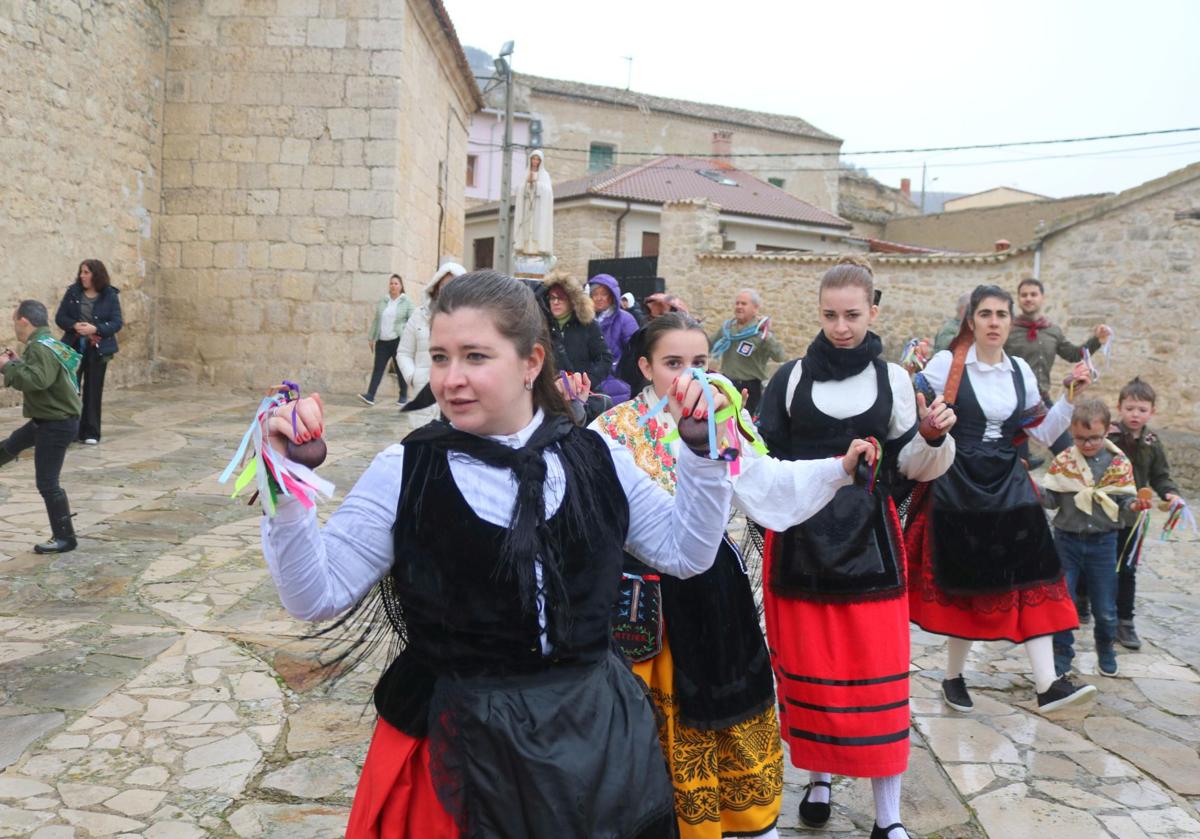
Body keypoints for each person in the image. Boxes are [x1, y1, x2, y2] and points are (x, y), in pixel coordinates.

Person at [260, 271, 750, 838]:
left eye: (475, 356)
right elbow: (314, 596)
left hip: (593, 740)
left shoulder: (598, 457)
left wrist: (702, 455)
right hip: (453, 746)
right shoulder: (406, 469)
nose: (452, 379)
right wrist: (288, 486)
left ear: (531, 362)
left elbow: (686, 554)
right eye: (441, 358)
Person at [592, 313, 874, 838]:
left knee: (729, 721)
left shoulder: (725, 424)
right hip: (638, 607)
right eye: (672, 363)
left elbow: (768, 484)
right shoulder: (610, 432)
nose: (688, 376)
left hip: (714, 597)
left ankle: (740, 824)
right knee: (642, 732)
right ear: (645, 366)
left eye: (699, 363)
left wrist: (839, 468)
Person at [744, 256, 957, 839]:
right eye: (831, 315)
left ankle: (887, 818)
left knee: (878, 669)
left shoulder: (893, 380)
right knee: (811, 668)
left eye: (853, 315)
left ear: (874, 311)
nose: (841, 326)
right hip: (800, 540)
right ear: (818, 312)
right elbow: (765, 460)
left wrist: (933, 436)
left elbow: (911, 465)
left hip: (870, 539)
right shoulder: (787, 379)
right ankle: (817, 781)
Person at [907, 284, 1098, 717]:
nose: (994, 322)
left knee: (1037, 573)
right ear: (971, 321)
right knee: (967, 581)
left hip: (1010, 482)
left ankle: (1048, 684)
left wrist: (1069, 397)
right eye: (986, 314)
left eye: (1001, 315)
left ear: (1011, 322)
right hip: (957, 483)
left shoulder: (1020, 372)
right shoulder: (946, 366)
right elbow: (912, 408)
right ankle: (953, 676)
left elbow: (1043, 434)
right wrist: (926, 418)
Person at [1041, 397, 1144, 679]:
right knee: (1064, 600)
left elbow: (1124, 503)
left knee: (1105, 606)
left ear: (1108, 430)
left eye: (1094, 438)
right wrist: (1034, 490)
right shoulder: (1064, 461)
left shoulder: (1118, 464)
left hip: (1103, 542)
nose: (1088, 444)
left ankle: (1106, 648)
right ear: (1072, 434)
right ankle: (1062, 652)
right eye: (1080, 438)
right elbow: (1051, 499)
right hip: (1066, 540)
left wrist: (1134, 506)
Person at [0, 300, 83, 553]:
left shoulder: (39, 347)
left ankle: (65, 538)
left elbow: (38, 380)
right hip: (48, 420)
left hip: (56, 424)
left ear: (24, 321)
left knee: (47, 482)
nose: (14, 326)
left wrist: (6, 366)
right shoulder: (50, 343)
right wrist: (17, 363)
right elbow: (42, 372)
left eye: (14, 320)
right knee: (11, 445)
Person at [1107, 377, 1181, 649]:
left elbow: (1161, 476)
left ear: (1152, 412)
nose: (1135, 414)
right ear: (1119, 407)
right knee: (1097, 563)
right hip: (1105, 513)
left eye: (1141, 409)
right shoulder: (1108, 437)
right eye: (1130, 408)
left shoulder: (1152, 441)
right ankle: (1083, 601)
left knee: (1127, 569)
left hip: (1135, 518)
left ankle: (1124, 623)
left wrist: (1170, 493)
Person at [1005, 277, 1111, 463]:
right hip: (1013, 401)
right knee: (1017, 461)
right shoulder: (1008, 330)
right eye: (1024, 295)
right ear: (1019, 299)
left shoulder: (1052, 331)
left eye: (1033, 294)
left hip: (1041, 399)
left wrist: (1096, 340)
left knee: (1066, 450)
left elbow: (1073, 354)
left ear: (1042, 298)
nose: (1028, 298)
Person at [54, 259, 122, 444]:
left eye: (86, 272)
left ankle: (91, 432)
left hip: (98, 349)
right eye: (81, 272)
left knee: (93, 390)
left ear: (96, 274)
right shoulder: (73, 291)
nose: (82, 276)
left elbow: (116, 322)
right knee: (70, 389)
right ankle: (71, 431)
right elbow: (60, 317)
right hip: (74, 347)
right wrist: (74, 325)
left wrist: (95, 329)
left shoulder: (109, 294)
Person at [709, 289, 786, 415]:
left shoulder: (760, 331)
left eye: (743, 304)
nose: (739, 307)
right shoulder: (728, 328)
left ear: (755, 308)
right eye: (737, 303)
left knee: (746, 423)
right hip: (727, 384)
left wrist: (768, 337)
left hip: (750, 388)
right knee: (725, 421)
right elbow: (708, 344)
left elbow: (780, 356)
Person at [396, 261, 465, 398]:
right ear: (436, 288)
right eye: (444, 285)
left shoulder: (474, 320)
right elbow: (404, 352)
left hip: (458, 396)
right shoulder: (419, 315)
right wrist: (413, 377)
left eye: (454, 284)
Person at [360, 274, 413, 406]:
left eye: (396, 283)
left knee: (400, 369)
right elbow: (377, 320)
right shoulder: (384, 301)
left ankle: (403, 396)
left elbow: (413, 320)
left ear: (401, 286)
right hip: (382, 341)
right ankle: (370, 396)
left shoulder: (406, 301)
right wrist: (372, 337)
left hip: (397, 340)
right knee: (378, 368)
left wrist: (402, 329)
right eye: (391, 283)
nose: (393, 286)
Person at [588, 273, 640, 403]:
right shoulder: (585, 320)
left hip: (616, 386)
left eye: (604, 294)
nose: (599, 298)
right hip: (588, 385)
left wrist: (616, 370)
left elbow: (636, 352)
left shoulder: (625, 319)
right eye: (595, 294)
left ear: (612, 296)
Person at [512, 149, 553, 257]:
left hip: (538, 209)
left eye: (537, 159)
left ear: (540, 161)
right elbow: (519, 189)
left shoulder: (545, 175)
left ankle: (538, 249)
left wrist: (537, 184)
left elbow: (548, 192)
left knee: (536, 229)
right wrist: (527, 184)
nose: (535, 161)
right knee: (526, 227)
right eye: (533, 159)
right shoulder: (525, 174)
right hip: (526, 207)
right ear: (530, 160)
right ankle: (523, 248)